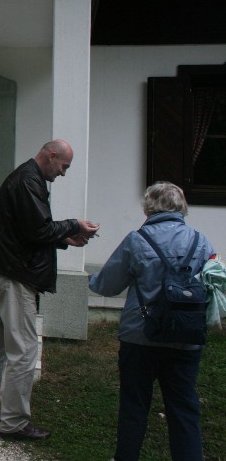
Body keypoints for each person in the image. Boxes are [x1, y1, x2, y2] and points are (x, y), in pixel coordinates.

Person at [0, 139, 99, 440]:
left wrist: (63, 238)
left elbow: (27, 229)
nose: (64, 172)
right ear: (51, 156)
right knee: (24, 350)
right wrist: (74, 226)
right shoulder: (29, 181)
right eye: (64, 166)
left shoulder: (24, 176)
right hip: (12, 274)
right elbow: (38, 229)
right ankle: (14, 422)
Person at [89, 182, 214, 461]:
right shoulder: (201, 241)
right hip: (186, 336)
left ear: (148, 208)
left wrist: (91, 281)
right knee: (184, 408)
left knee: (134, 406)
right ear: (182, 207)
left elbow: (108, 285)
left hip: (139, 335)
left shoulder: (137, 240)